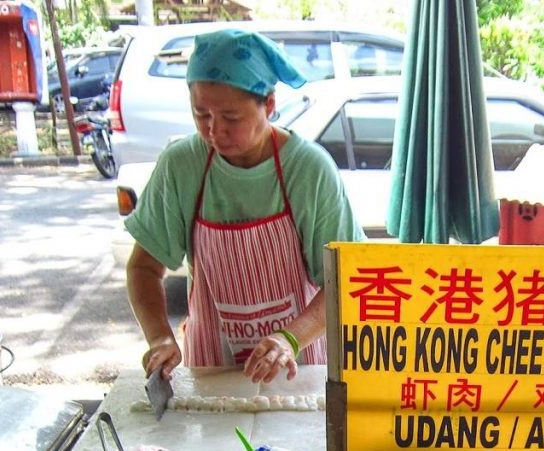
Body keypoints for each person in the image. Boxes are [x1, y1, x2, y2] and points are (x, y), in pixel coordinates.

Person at [125, 28, 365, 384]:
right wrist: (160, 337)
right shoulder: (182, 165)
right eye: (201, 114)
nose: (214, 130)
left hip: (297, 368)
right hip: (212, 368)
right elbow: (143, 268)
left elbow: (343, 278)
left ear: (268, 104)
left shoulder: (308, 169)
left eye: (231, 117)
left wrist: (290, 337)